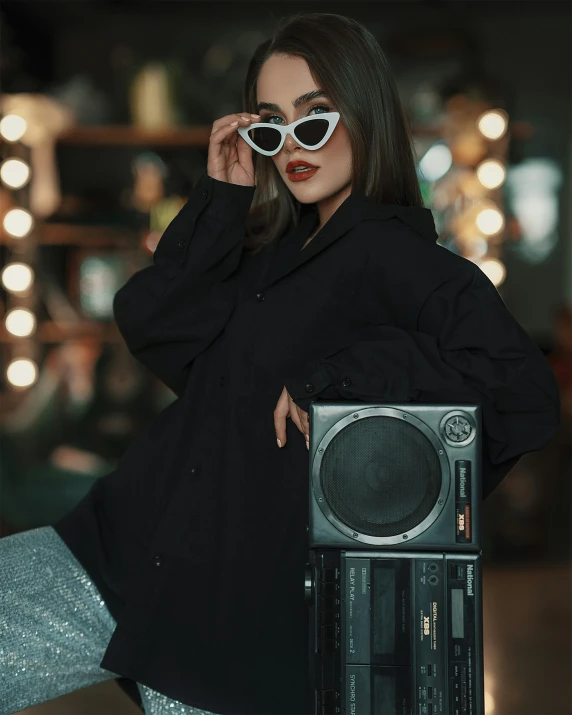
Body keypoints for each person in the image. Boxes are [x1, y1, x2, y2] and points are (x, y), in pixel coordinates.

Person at [0, 11, 560, 715]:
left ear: (365, 112)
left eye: (315, 119)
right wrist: (222, 197)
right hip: (109, 553)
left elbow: (522, 393)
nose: (291, 144)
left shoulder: (410, 266)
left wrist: (340, 374)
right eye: (271, 124)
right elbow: (155, 323)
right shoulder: (267, 251)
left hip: (224, 639)